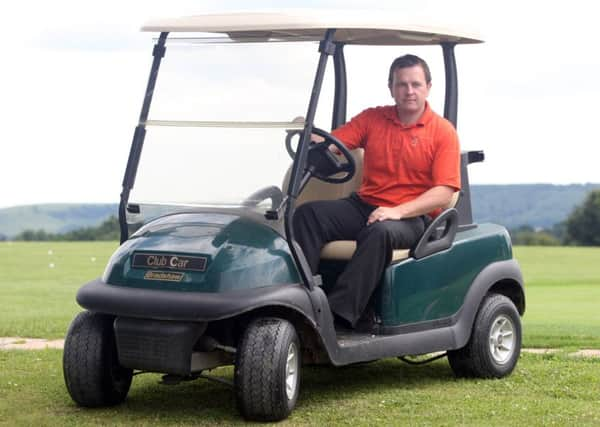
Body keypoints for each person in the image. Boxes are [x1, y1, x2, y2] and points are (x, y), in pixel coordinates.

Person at [292, 54, 461, 331]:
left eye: (416, 84)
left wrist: (396, 211)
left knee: (380, 231)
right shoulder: (373, 118)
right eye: (402, 84)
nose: (409, 91)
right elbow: (334, 144)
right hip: (365, 205)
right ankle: (301, 302)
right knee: (308, 215)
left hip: (412, 217)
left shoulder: (442, 132)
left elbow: (444, 193)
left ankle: (337, 316)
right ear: (391, 87)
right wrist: (306, 133)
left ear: (428, 87)